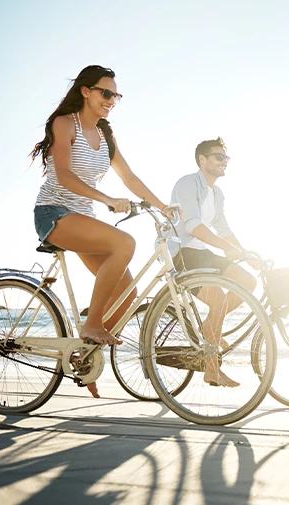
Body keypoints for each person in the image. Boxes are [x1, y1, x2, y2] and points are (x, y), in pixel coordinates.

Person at [30, 65, 172, 398]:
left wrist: (163, 207)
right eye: (106, 93)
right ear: (85, 91)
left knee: (127, 294)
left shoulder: (106, 135)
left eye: (116, 95)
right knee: (125, 243)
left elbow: (130, 178)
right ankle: (91, 324)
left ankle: (84, 354)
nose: (111, 100)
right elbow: (63, 175)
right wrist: (106, 199)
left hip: (83, 219)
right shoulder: (64, 124)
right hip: (54, 214)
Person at [169, 137, 262, 387]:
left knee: (247, 281)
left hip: (201, 251)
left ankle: (210, 327)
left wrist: (244, 253)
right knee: (219, 299)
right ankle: (211, 370)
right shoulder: (187, 183)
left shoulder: (217, 193)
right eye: (219, 157)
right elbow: (193, 226)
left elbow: (223, 228)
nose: (224, 162)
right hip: (181, 251)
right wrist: (227, 248)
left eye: (226, 158)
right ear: (203, 159)